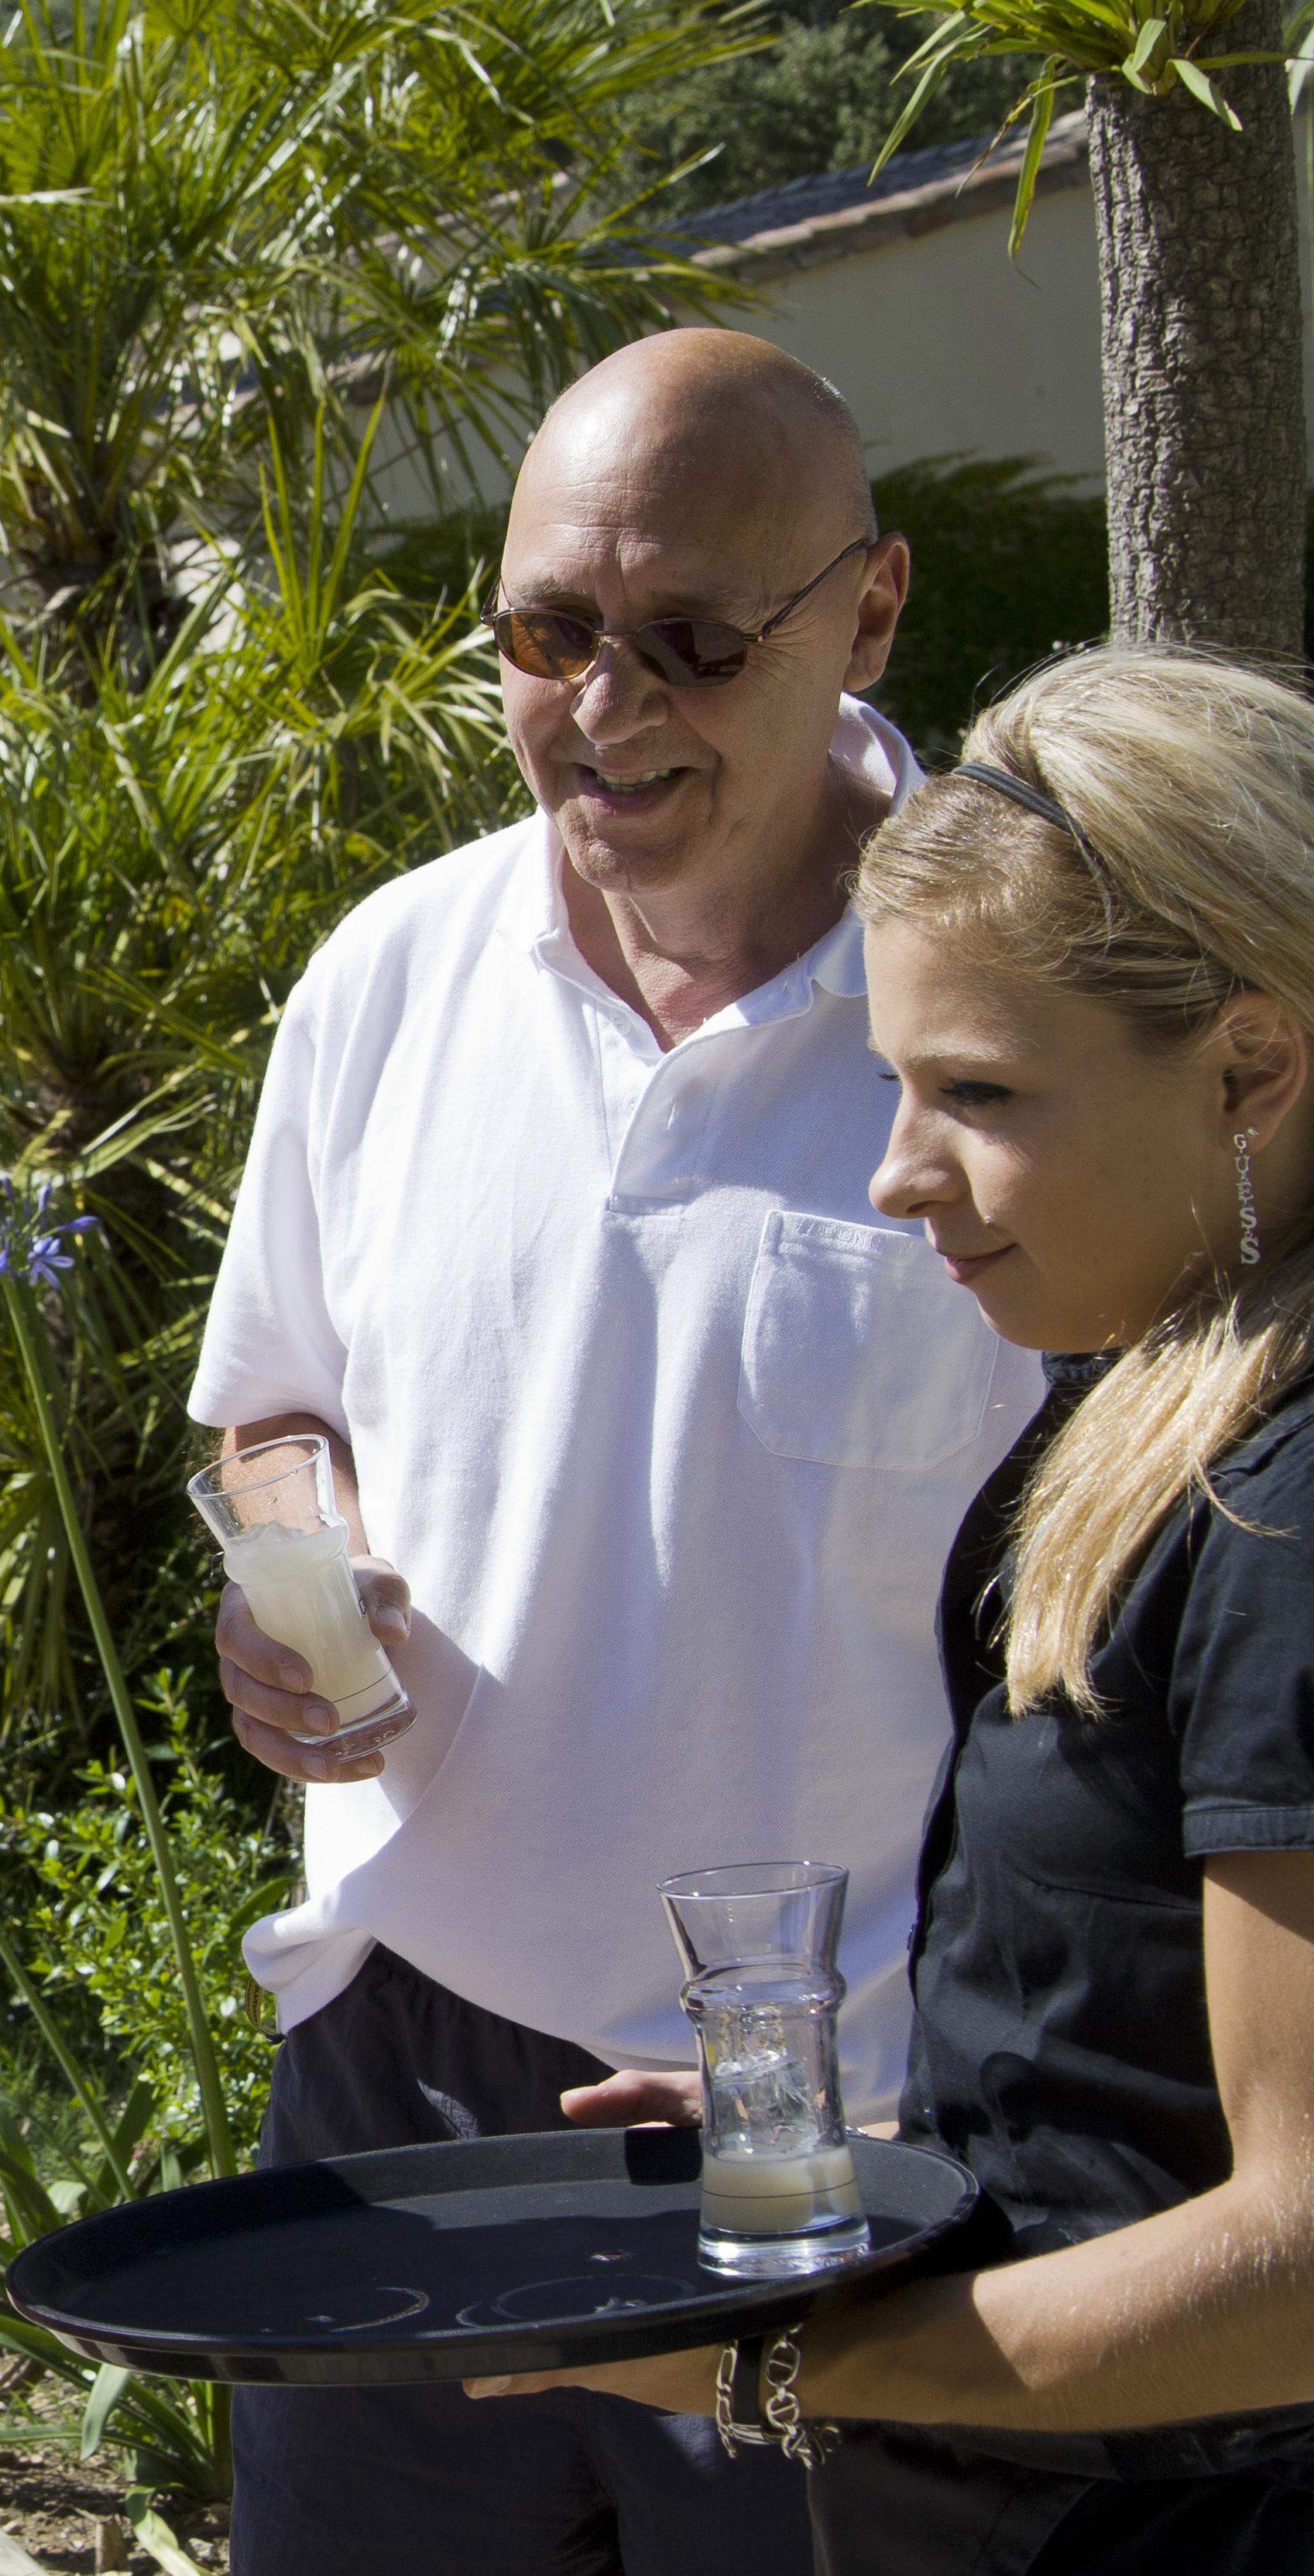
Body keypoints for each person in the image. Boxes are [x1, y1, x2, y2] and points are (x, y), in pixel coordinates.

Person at [189, 324, 1044, 2570]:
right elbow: (273, 1399)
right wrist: (303, 1589)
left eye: (688, 636)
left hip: (827, 2119)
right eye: (550, 632)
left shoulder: (1014, 1022)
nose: (606, 703)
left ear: (869, 611)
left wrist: (956, 2098)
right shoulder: (392, 968)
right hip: (400, 2067)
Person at [481, 646, 1314, 2571]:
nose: (898, 1171)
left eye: (982, 1091)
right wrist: (887, 2143)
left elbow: (1291, 2254)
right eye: (894, 1079)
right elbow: (1136, 2069)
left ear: (1252, 1064)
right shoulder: (1158, 1390)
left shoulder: (1283, 1516)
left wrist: (769, 2366)